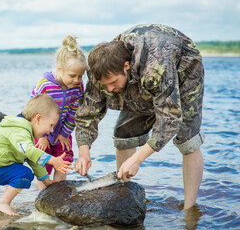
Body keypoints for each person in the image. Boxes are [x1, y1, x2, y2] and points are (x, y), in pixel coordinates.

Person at [74, 24, 205, 210]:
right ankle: (125, 197)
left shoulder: (155, 69)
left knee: (187, 139)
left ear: (126, 66)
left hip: (184, 67)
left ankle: (189, 208)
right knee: (124, 133)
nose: (109, 89)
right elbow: (88, 112)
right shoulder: (101, 71)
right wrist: (84, 151)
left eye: (112, 83)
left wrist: (138, 159)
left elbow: (169, 119)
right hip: (140, 77)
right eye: (105, 85)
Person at [0, 94, 73, 216]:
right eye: (51, 125)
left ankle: (3, 202)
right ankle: (3, 203)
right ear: (37, 119)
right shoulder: (20, 130)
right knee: (24, 174)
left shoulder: (25, 132)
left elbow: (34, 160)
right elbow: (28, 150)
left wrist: (47, 181)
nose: (52, 131)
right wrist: (52, 160)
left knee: (25, 172)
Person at [32, 35, 87, 190]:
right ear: (59, 68)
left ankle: (59, 195)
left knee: (63, 161)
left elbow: (74, 111)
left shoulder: (78, 86)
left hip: (62, 131)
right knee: (42, 162)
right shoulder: (45, 85)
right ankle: (42, 196)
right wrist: (42, 136)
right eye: (72, 76)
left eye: (80, 76)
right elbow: (34, 111)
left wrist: (64, 133)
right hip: (42, 130)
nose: (77, 80)